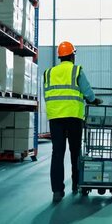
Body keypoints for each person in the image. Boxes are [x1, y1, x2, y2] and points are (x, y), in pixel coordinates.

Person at [44, 41, 102, 202]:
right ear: (72, 55)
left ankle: (57, 191)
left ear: (60, 57)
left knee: (57, 153)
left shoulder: (48, 73)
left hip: (55, 118)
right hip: (74, 117)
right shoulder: (77, 70)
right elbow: (87, 91)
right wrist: (93, 100)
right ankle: (76, 183)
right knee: (75, 152)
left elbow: (47, 94)